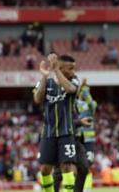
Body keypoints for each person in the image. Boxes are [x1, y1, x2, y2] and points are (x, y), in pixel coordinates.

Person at [34, 54, 81, 192]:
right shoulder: (47, 82)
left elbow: (71, 90)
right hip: (48, 132)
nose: (73, 71)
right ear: (61, 67)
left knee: (67, 166)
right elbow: (37, 98)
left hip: (66, 132)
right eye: (70, 68)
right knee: (44, 169)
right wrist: (44, 76)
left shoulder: (74, 80)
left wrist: (56, 71)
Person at [75, 79, 96, 192]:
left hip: (88, 138)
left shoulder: (89, 105)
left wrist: (84, 89)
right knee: (76, 165)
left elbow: (92, 104)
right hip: (76, 137)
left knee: (88, 162)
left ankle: (86, 188)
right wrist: (80, 87)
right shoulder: (73, 104)